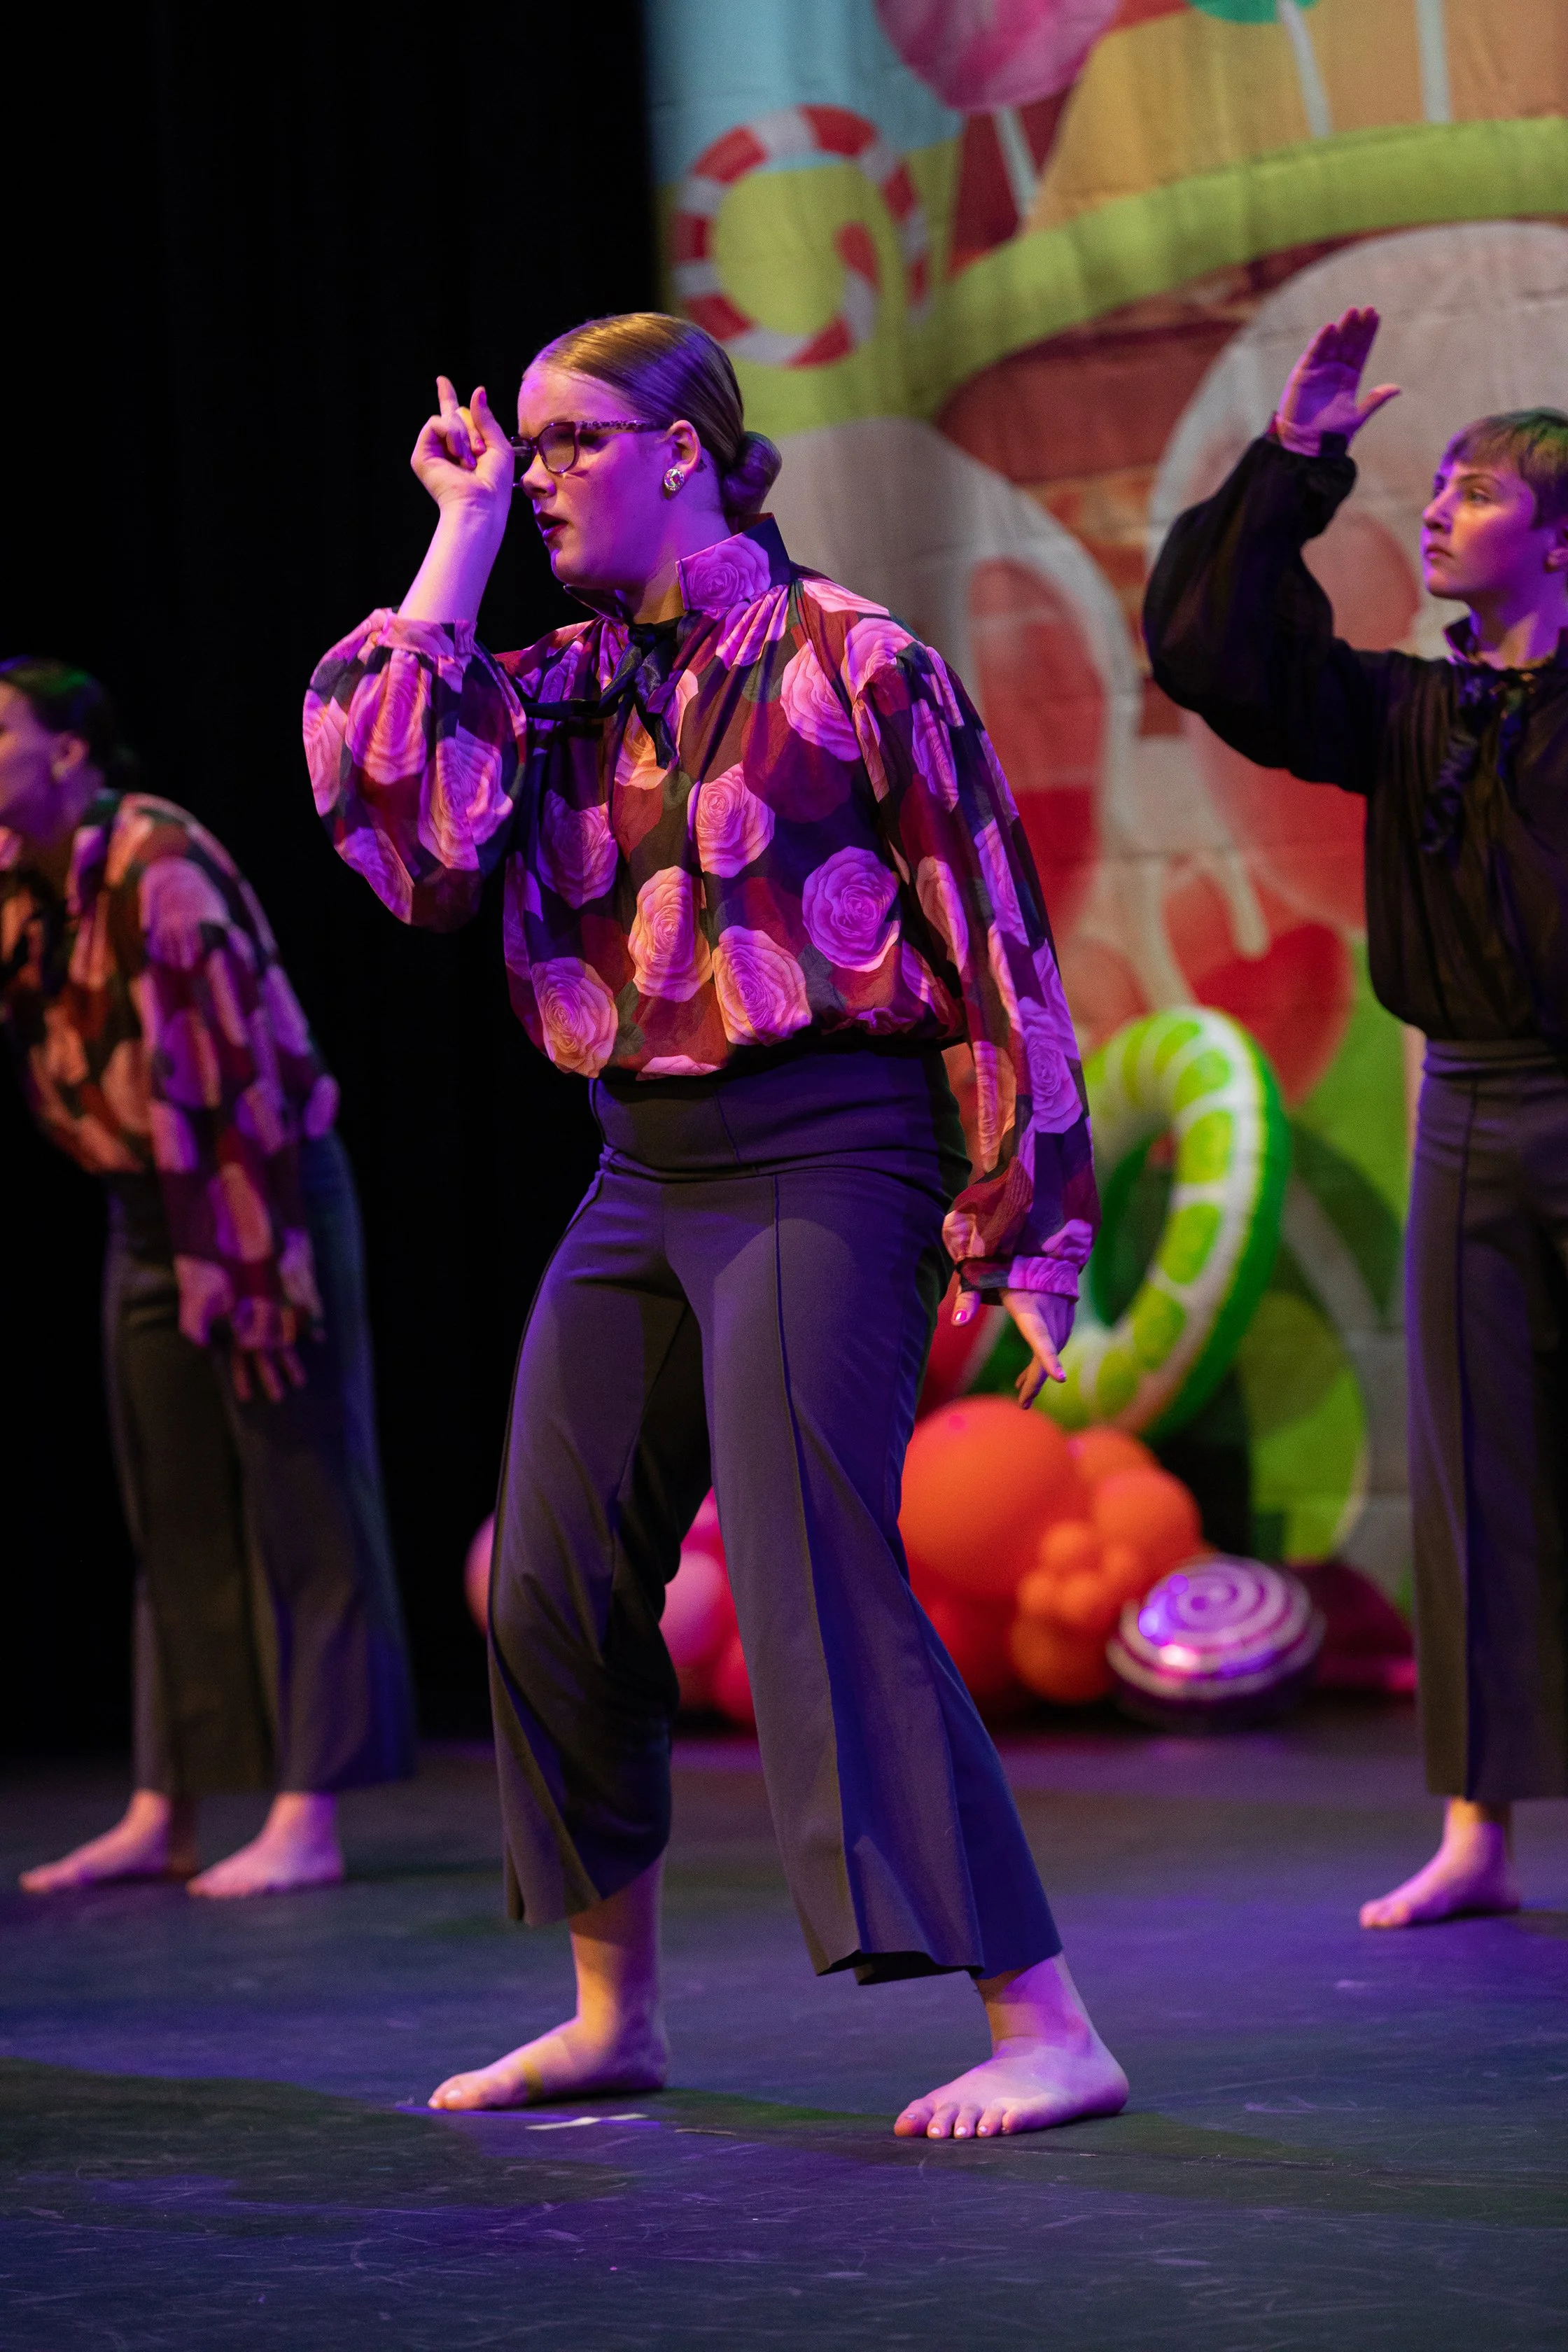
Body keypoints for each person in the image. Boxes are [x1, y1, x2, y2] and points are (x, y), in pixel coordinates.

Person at [304, 311, 1127, 2138]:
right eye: (522, 445)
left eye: (570, 441)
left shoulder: (857, 662)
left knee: (814, 1568)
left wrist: (1027, 1220)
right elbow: (406, 840)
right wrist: (452, 539)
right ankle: (616, 2012)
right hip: (638, 1163)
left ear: (685, 452)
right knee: (549, 1583)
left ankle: (1046, 2017)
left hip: (834, 1149)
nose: (537, 472)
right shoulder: (562, 681)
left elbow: (995, 942)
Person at [1144, 307, 1568, 1929]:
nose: (1439, 508)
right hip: (1467, 1108)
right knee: (1473, 1474)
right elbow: (1208, 647)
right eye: (1434, 484)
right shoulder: (1410, 714)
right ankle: (1478, 1828)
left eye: (1474, 491)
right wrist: (1294, 458)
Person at [2, 660, 415, 1898]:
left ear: (71, 752)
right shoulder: (24, 883)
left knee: (304, 1498)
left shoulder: (158, 871)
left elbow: (228, 1087)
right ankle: (164, 1807)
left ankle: (308, 1814)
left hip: (257, 1192)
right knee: (168, 1505)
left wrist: (248, 1263)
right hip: (147, 1206)